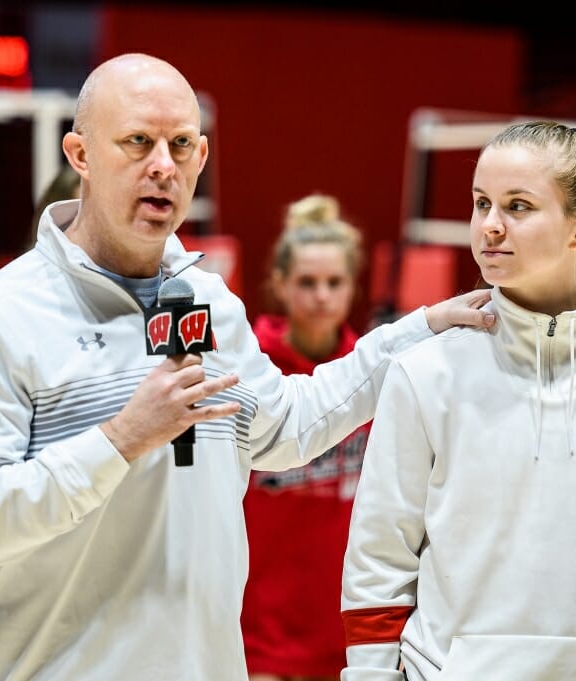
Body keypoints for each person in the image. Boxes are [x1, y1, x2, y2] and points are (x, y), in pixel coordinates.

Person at [0, 53, 494, 681]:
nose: (162, 165)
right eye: (137, 142)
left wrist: (420, 331)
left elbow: (286, 426)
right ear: (79, 155)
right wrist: (120, 439)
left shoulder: (204, 301)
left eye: (180, 145)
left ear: (201, 158)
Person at [340, 121, 576, 681]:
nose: (490, 226)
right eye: (481, 203)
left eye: (517, 206)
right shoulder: (424, 372)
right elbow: (379, 557)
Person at [242, 194, 367, 680]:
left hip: (342, 631)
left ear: (352, 286)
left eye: (334, 283)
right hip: (258, 629)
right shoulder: (250, 370)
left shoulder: (371, 372)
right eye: (307, 282)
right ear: (280, 284)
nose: (321, 296)